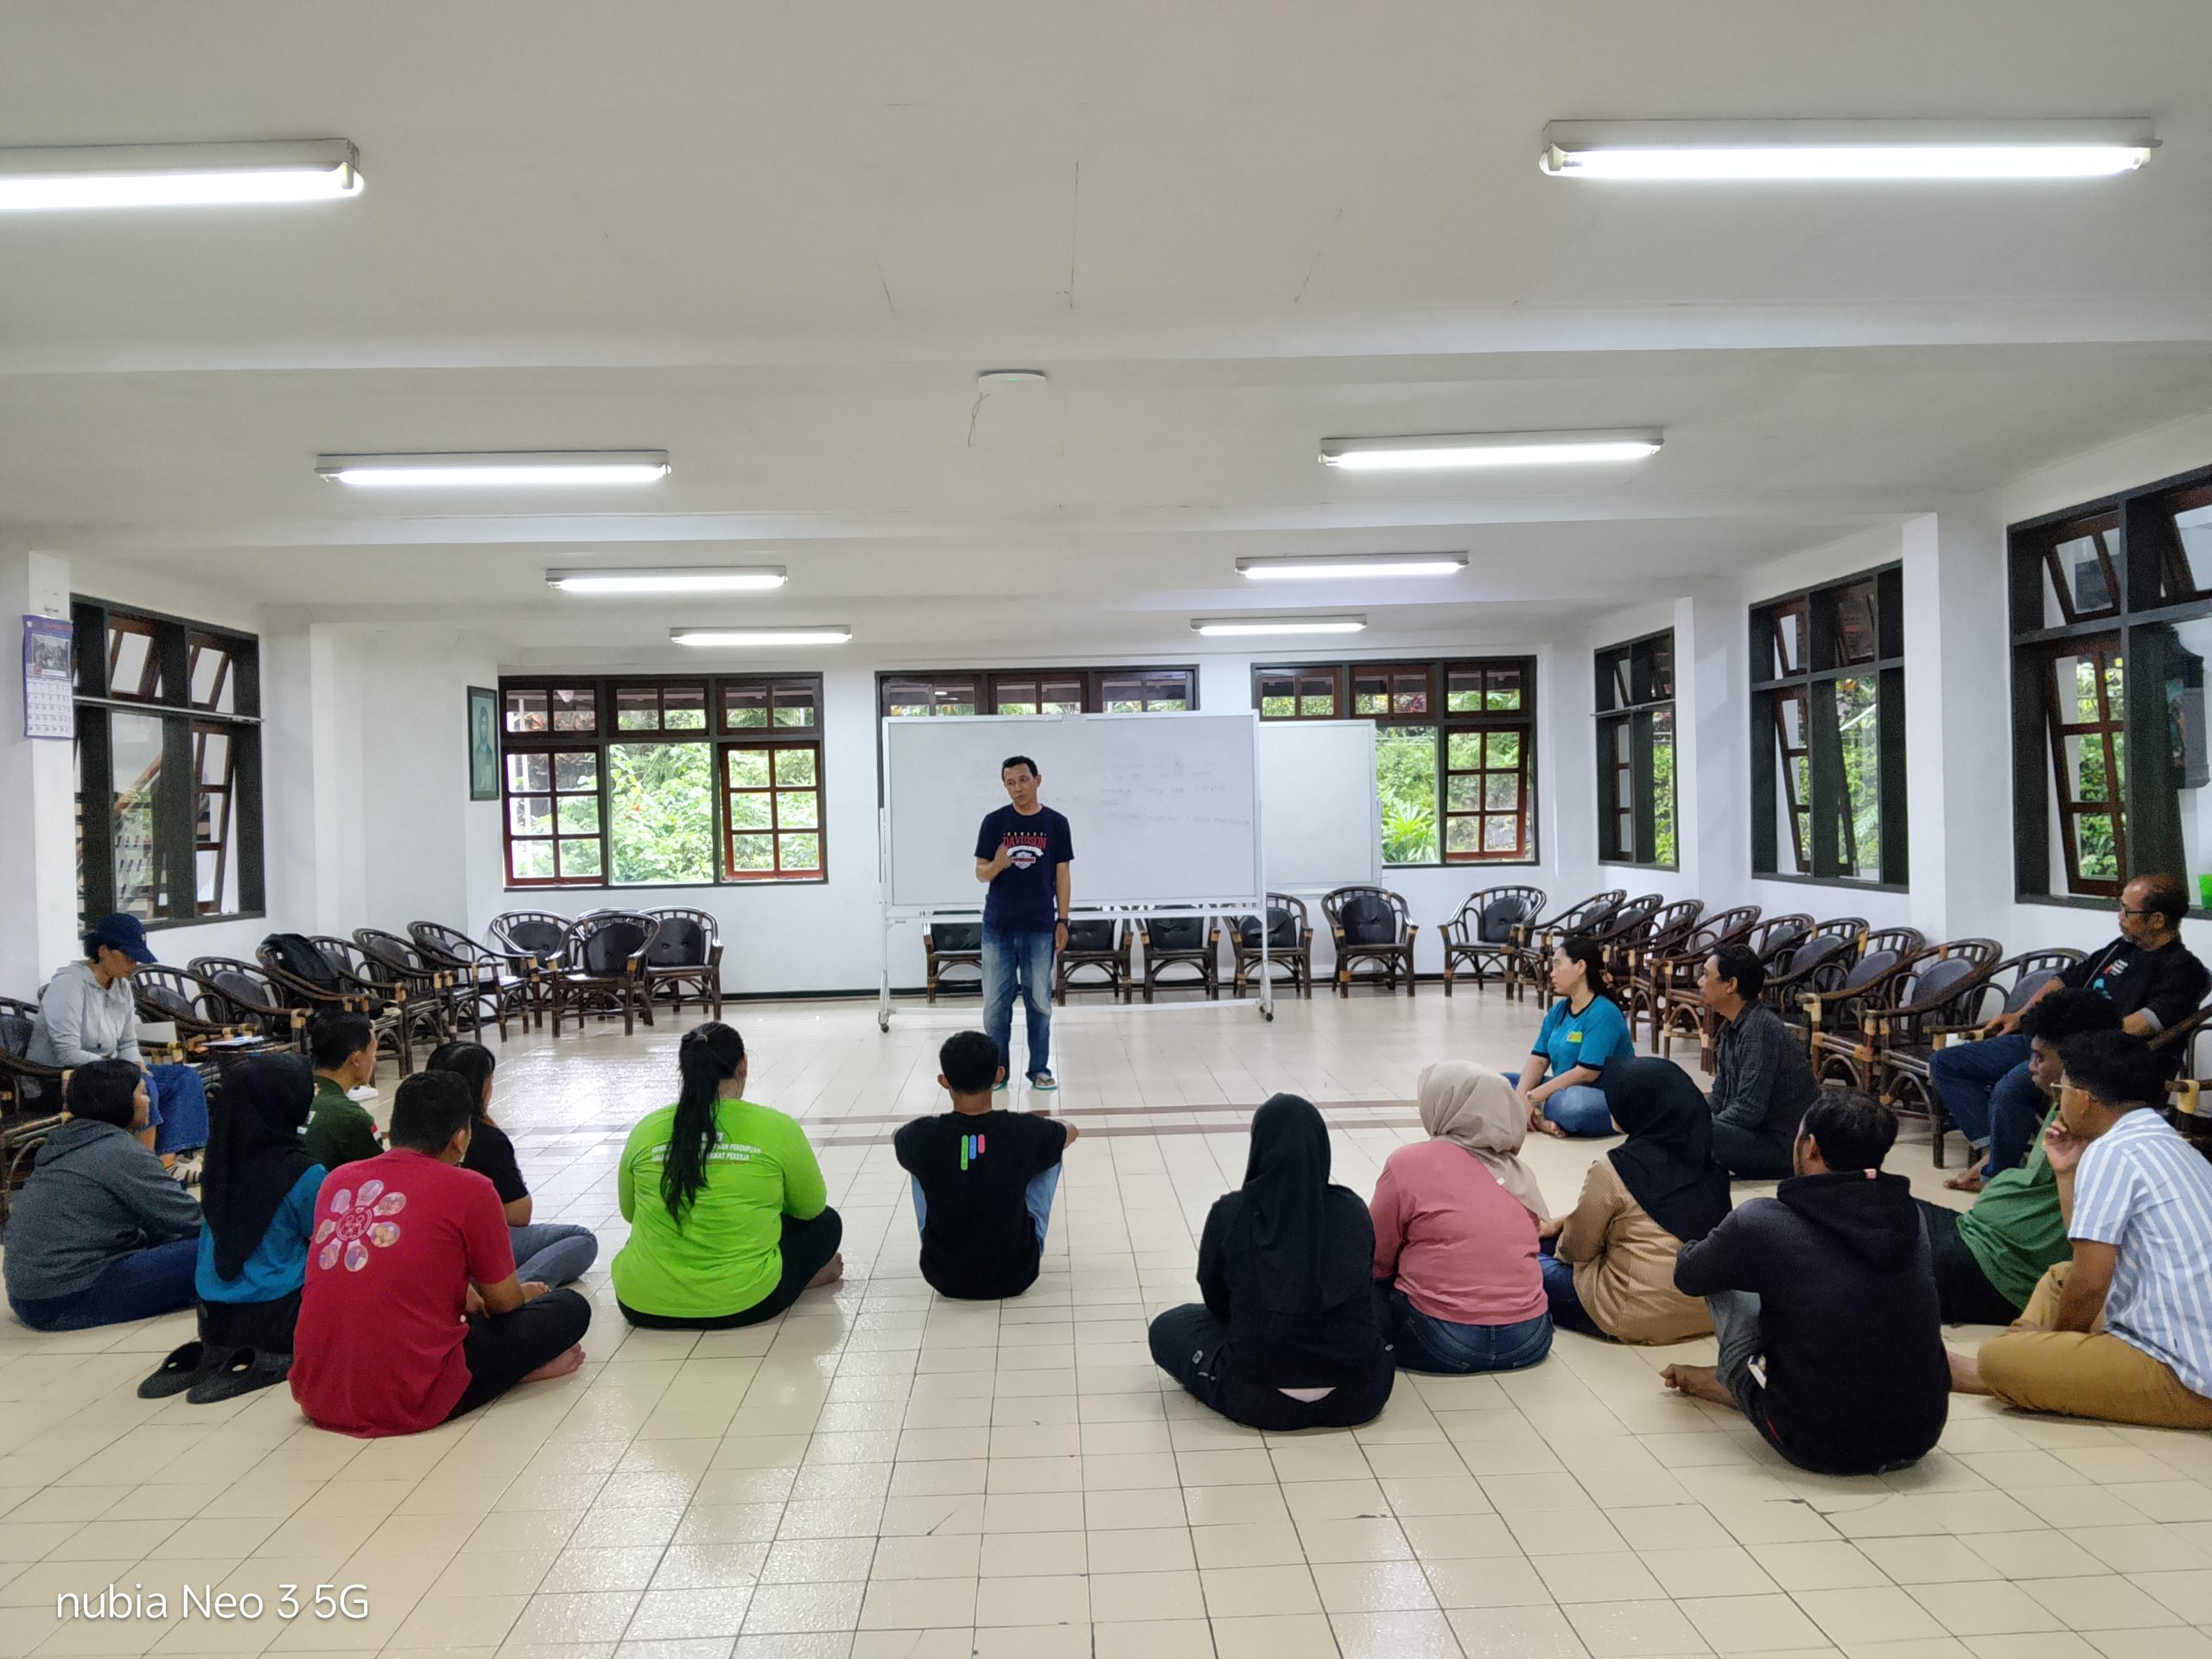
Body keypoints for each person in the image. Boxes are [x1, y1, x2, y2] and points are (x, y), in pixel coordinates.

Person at [290, 1071, 590, 1437]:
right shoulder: (472, 1189)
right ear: (460, 1138)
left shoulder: (337, 1180)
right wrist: (521, 1294)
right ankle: (518, 1373)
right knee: (570, 1309)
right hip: (407, 1395)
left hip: (319, 1391)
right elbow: (505, 1305)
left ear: (393, 1128)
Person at [1664, 1092, 1948, 1474]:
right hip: (1919, 1435)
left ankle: (1737, 1381)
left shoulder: (1763, 1220)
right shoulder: (1909, 1216)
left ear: (1811, 1148)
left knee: (1722, 1262)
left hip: (1813, 1442)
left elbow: (1688, 1276)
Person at [1950, 1030, 2212, 1429]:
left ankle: (2011, 1367)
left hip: (2186, 1374)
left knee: (1997, 1359)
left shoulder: (2112, 1153)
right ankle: (2036, 1359)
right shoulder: (2172, 1145)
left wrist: (2058, 1346)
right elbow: (2082, 1257)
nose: (2058, 1098)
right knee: (2060, 1276)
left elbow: (2092, 1284)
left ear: (2085, 1101)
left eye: (2063, 1088)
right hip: (2183, 1335)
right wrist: (2067, 1173)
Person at [1933, 874, 2208, 1191]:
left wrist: (2075, 1044)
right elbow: (2063, 981)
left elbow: (2139, 1026)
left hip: (2089, 1058)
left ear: (2158, 920)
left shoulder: (2183, 970)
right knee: (1947, 1063)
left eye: (2127, 911)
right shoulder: (2120, 948)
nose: (2119, 917)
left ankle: (1995, 1175)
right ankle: (1995, 1151)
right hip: (2048, 1039)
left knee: (2010, 1089)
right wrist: (2022, 1016)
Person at [1147, 1095, 1395, 1429]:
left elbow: (1216, 1300)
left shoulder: (1231, 1213)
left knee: (1168, 1326)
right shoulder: (1351, 1210)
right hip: (1359, 1395)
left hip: (1258, 1399)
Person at [611, 1022, 843, 1328]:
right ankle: (802, 1279)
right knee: (826, 1223)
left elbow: (630, 1213)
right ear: (743, 1065)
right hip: (743, 1302)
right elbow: (810, 1209)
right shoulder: (777, 1128)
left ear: (685, 1071)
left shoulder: (647, 1129)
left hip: (641, 1303)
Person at [1916, 990, 2123, 1325]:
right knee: (1872, 1204)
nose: (2031, 1067)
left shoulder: (2099, 1133)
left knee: (1860, 1248)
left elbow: (2088, 1261)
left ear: (2072, 1060)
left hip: (1999, 1272)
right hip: (1978, 1236)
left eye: (2040, 1057)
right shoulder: (2074, 1102)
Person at [140, 1053, 327, 1402]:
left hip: (215, 1319)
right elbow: (327, 1241)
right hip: (278, 1317)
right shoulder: (304, 1173)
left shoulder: (218, 1165)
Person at [1370, 1062, 1552, 1374]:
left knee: (1372, 1290)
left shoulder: (1408, 1163)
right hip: (1530, 1338)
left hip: (1441, 1341)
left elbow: (1377, 1255)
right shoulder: (1519, 1173)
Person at [1541, 1056, 1731, 1344]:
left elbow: (1576, 1250)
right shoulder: (1709, 1162)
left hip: (1630, 1313)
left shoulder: (1615, 1168)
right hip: (1707, 1312)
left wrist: (1564, 1233)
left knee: (1522, 1259)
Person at [3, 1059, 203, 1332]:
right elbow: (190, 1219)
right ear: (120, 1102)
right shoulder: (120, 1151)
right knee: (224, 1248)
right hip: (68, 1297)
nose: (149, 1101)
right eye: (143, 1093)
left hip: (28, 1296)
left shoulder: (66, 1141)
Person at [895, 1030, 1077, 1300]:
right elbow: (1071, 1131)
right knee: (1052, 1145)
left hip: (944, 1276)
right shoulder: (1024, 1130)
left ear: (944, 1081)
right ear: (998, 1075)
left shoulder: (919, 1134)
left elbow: (897, 1136)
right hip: (1016, 1274)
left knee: (917, 1157)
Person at [25, 912, 210, 1159]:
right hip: (60, 1080)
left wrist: (139, 1068)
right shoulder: (69, 984)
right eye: (128, 956)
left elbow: (127, 1042)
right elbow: (67, 1052)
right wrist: (126, 1073)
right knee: (143, 1088)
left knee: (183, 1078)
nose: (133, 963)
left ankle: (170, 1162)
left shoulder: (121, 985)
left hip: (108, 1074)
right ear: (103, 950)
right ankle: (146, 1170)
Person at [426, 1039, 597, 1287]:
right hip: (469, 1245)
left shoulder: (416, 1131)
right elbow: (518, 1215)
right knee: (581, 1240)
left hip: (419, 1240)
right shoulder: (484, 1138)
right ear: (483, 1088)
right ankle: (508, 1290)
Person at [973, 754, 1074, 1092]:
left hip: (1040, 928)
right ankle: (997, 1073)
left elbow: (1062, 874)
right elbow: (980, 872)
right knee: (995, 1008)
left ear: (1037, 780)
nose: (1017, 788)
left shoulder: (1056, 823)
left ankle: (1039, 1070)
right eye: (1010, 783)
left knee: (1040, 1004)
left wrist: (1063, 919)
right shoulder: (993, 822)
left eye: (1023, 780)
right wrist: (998, 865)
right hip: (997, 927)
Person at [1700, 944, 1820, 1180]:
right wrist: (1694, 1119)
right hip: (1757, 1135)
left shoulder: (1760, 1029)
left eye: (1706, 975)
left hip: (1786, 1148)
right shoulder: (1732, 1026)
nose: (1700, 983)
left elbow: (1748, 1110)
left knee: (1702, 1133)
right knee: (1686, 1115)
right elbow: (1720, 1094)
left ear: (1731, 985)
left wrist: (1696, 1130)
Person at [1510, 940, 1633, 1138]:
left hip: (1599, 1096)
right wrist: (1522, 1096)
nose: (1552, 972)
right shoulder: (1558, 1010)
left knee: (1573, 1107)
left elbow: (1586, 1074)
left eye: (1558, 964)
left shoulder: (1603, 1012)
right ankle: (1539, 1119)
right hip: (1563, 1089)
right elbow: (1539, 1058)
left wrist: (1533, 1098)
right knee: (1500, 1083)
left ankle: (1532, 1112)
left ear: (1581, 967)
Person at [303, 1012, 382, 1173]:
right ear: (356, 1060)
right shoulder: (352, 1118)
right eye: (373, 1053)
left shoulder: (288, 1093)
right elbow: (378, 1179)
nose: (374, 1060)